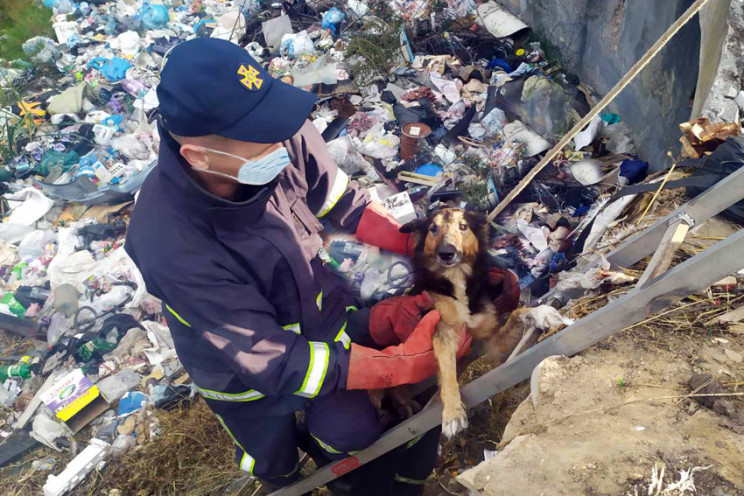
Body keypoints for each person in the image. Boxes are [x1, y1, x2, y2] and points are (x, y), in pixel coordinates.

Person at [124, 38, 473, 495]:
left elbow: (342, 202)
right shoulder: (167, 241)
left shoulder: (276, 130)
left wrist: (418, 247)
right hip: (239, 365)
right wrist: (392, 367)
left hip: (317, 309)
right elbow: (268, 356)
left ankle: (367, 474)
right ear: (199, 157)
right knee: (271, 451)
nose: (284, 144)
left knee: (351, 432)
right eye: (262, 139)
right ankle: (284, 482)